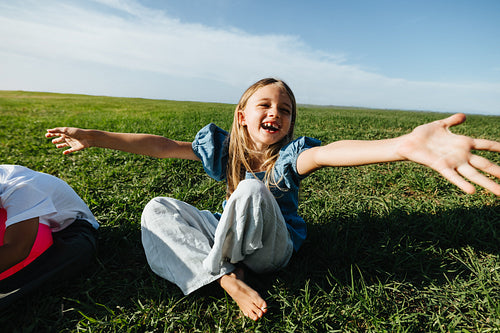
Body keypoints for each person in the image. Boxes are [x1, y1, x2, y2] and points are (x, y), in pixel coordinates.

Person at [45, 78, 500, 321]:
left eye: (284, 110)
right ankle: (224, 278)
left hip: (270, 248)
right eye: (265, 105)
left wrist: (401, 145)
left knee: (250, 189)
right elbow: (161, 144)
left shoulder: (292, 156)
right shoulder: (224, 148)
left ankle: (226, 269)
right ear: (243, 116)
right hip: (229, 232)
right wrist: (95, 137)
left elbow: (330, 153)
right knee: (156, 208)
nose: (275, 113)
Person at [0, 165, 99, 308]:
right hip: (18, 223)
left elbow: (18, 249)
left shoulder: (22, 189)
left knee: (75, 253)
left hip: (69, 229)